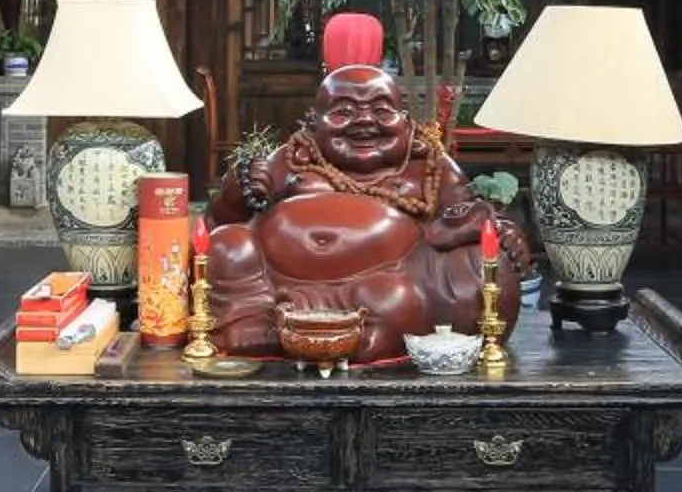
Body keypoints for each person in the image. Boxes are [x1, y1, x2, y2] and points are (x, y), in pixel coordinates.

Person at [204, 64, 528, 365]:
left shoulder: (429, 166)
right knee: (226, 245)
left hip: (385, 283)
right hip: (275, 286)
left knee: (444, 280)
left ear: (405, 120)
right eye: (343, 111)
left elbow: (471, 217)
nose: (363, 120)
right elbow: (219, 219)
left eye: (381, 110)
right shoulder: (292, 158)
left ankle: (372, 332)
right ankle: (256, 322)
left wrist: (502, 233)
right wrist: (237, 191)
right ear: (313, 123)